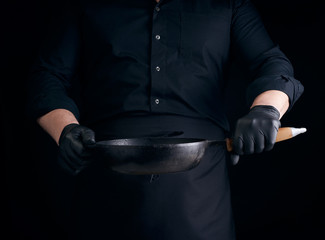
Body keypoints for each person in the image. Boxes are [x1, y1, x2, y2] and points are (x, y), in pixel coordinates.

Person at [27, 0, 304, 239]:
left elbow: (271, 63)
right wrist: (65, 130)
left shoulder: (229, 3)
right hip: (105, 185)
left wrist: (266, 110)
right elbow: (47, 76)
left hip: (201, 196)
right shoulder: (86, 4)